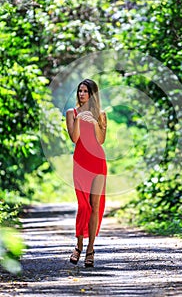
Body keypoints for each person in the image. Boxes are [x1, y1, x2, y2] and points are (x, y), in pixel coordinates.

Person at [66, 79, 107, 267]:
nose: (81, 94)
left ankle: (90, 249)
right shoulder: (71, 113)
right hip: (81, 163)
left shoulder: (101, 115)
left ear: (92, 94)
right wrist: (80, 119)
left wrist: (95, 122)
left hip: (98, 162)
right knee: (83, 206)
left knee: (95, 205)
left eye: (85, 91)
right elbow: (75, 138)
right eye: (79, 91)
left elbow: (101, 140)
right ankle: (79, 245)